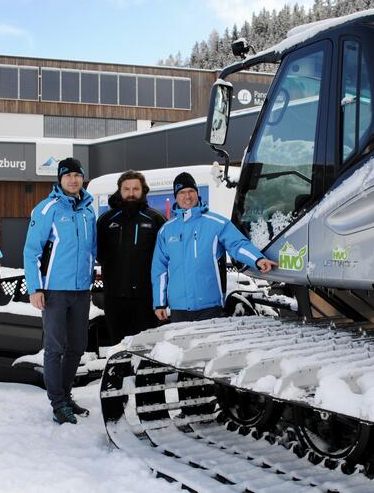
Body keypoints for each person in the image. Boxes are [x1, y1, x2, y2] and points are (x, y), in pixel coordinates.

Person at [24, 157, 96, 425]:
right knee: (54, 348)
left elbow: (92, 249)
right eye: (68, 176)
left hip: (81, 290)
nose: (73, 180)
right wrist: (36, 288)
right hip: (54, 291)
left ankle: (65, 396)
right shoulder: (47, 209)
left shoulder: (88, 210)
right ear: (60, 179)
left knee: (77, 347)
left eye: (78, 175)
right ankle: (57, 403)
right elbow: (31, 252)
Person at [152, 172, 277, 323]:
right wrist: (159, 303)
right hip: (179, 308)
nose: (187, 196)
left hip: (209, 305)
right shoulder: (166, 230)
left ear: (197, 194)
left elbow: (237, 244)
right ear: (176, 197)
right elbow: (159, 269)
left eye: (191, 191)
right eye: (182, 192)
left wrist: (257, 259)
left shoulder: (216, 223)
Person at [97, 170, 165, 344]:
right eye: (126, 189)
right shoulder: (106, 220)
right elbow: (97, 253)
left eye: (135, 189)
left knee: (146, 349)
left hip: (145, 299)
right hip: (115, 298)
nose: (131, 193)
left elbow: (165, 259)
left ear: (143, 190)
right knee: (118, 347)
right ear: (120, 191)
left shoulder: (155, 219)